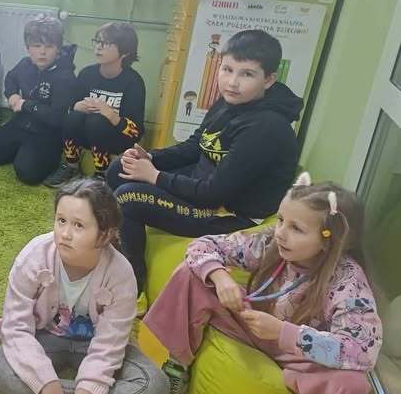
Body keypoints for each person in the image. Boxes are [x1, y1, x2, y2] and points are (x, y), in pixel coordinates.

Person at [144, 173, 382, 394]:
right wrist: (220, 277)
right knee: (191, 273)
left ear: (329, 238)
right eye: (281, 220)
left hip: (301, 358)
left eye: (296, 228)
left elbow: (361, 349)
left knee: (351, 383)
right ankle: (178, 362)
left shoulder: (347, 280)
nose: (281, 232)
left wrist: (284, 333)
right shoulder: (270, 242)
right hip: (253, 325)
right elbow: (203, 245)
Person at [0, 178, 167, 394]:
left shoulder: (121, 274)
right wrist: (46, 383)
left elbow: (108, 350)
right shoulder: (34, 255)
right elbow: (16, 328)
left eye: (79, 225)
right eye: (61, 221)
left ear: (105, 234)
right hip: (45, 338)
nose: (65, 234)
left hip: (94, 347)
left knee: (155, 385)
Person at [107, 29, 303, 294]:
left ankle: (132, 287)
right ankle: (116, 247)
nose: (232, 82)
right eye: (227, 69)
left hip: (229, 213)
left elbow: (214, 193)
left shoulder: (265, 128)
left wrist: (154, 176)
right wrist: (150, 157)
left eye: (247, 74)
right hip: (204, 182)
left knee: (128, 197)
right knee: (120, 168)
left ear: (268, 79)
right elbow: (196, 146)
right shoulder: (229, 101)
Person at [0, 14, 76, 185]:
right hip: (19, 124)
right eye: (37, 46)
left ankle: (34, 156)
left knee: (27, 174)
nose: (42, 52)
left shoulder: (66, 76)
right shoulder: (25, 64)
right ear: (28, 48)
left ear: (58, 48)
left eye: (49, 46)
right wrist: (12, 94)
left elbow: (56, 117)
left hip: (46, 133)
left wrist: (26, 105)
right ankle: (20, 151)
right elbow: (11, 78)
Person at [44, 22, 145, 187]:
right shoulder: (87, 74)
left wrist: (110, 114)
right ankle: (71, 167)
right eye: (97, 41)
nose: (98, 47)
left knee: (97, 121)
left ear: (125, 51)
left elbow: (135, 132)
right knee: (74, 117)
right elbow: (68, 107)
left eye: (106, 43)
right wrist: (76, 107)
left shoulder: (133, 82)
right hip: (88, 134)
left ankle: (102, 174)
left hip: (117, 138)